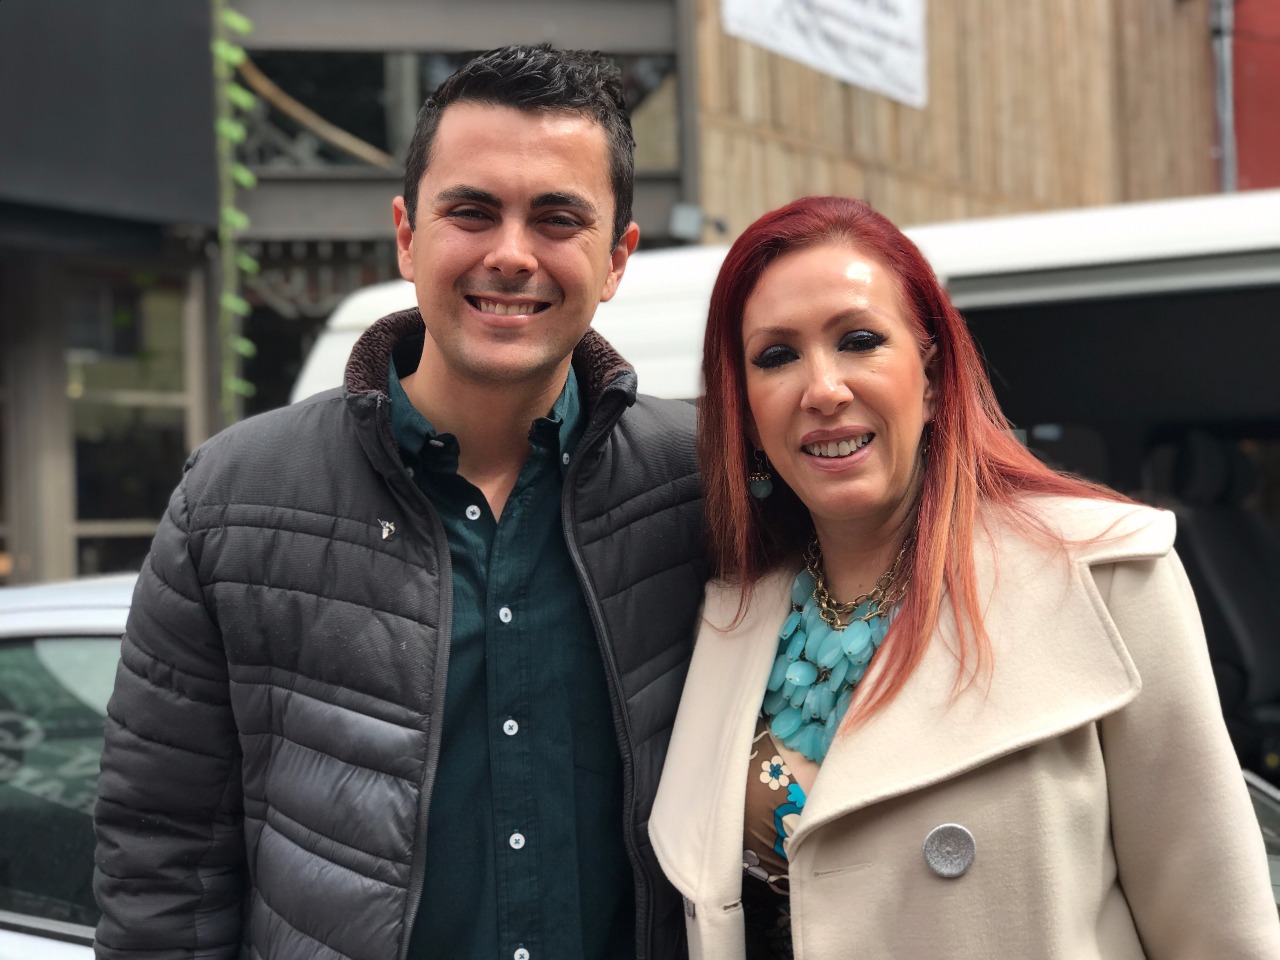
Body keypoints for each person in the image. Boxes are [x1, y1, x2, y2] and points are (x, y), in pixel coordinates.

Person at [93, 45, 707, 960]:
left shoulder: (699, 486)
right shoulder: (232, 500)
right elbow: (162, 861)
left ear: (617, 257)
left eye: (557, 219)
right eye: (472, 212)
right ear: (407, 236)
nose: (510, 254)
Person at [649, 195, 1280, 959]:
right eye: (776, 356)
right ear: (745, 411)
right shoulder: (726, 616)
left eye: (858, 340)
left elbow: (1222, 936)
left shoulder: (1107, 577)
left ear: (934, 378)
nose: (823, 389)